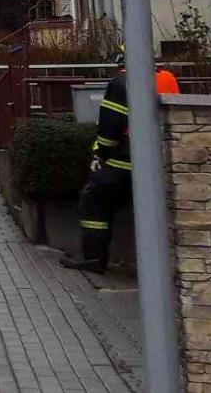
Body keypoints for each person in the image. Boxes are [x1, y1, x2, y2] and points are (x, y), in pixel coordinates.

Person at [60, 59, 134, 273]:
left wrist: (100, 153)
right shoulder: (165, 78)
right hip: (159, 160)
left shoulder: (121, 82)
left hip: (122, 159)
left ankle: (93, 258)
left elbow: (111, 126)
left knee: (93, 200)